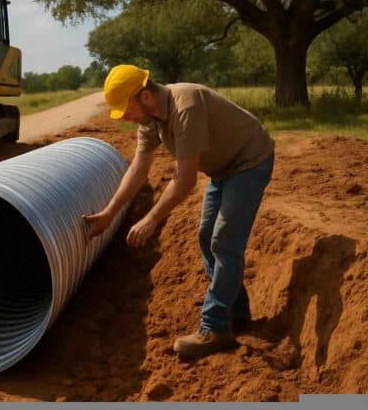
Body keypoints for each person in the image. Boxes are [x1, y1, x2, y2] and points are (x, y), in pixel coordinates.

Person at [82, 64, 275, 358]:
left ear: (145, 96)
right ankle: (236, 314)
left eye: (127, 110)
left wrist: (151, 219)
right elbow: (138, 169)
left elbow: (185, 180)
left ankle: (215, 327)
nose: (127, 118)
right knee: (206, 237)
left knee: (224, 242)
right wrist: (109, 214)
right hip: (222, 170)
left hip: (249, 161)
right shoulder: (151, 121)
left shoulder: (186, 107)